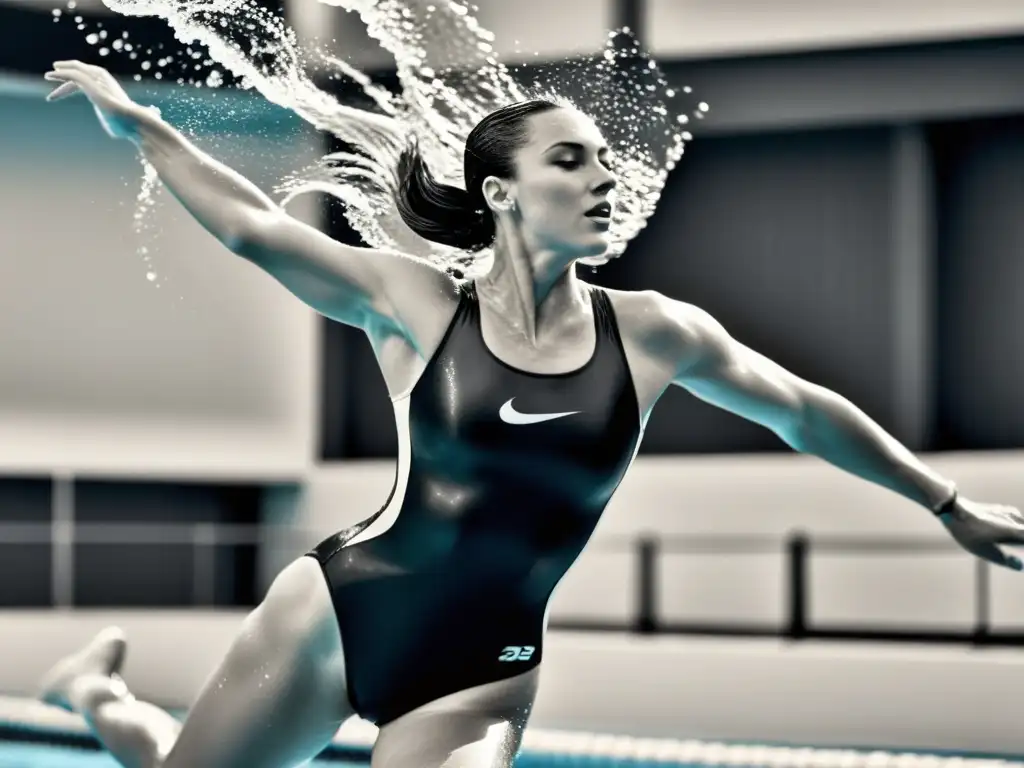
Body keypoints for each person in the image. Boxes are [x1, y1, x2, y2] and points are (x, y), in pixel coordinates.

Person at [36, 60, 1024, 768]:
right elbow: (255, 230)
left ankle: (98, 698)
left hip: (482, 669)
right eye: (572, 162)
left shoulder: (653, 332)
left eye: (604, 162)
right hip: (336, 615)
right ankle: (98, 698)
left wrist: (944, 504)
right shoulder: (414, 303)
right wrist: (147, 129)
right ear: (502, 192)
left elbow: (804, 413)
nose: (604, 180)